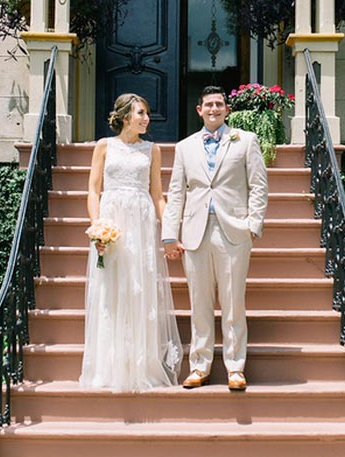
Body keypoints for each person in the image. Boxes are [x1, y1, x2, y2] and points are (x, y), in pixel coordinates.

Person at [163, 85, 268, 391]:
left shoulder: (246, 141)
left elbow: (258, 185)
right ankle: (199, 366)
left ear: (227, 109)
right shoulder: (184, 147)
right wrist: (170, 234)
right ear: (199, 110)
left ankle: (235, 367)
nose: (214, 109)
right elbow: (175, 192)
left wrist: (253, 224)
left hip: (234, 230)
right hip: (195, 232)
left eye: (219, 104)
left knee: (234, 301)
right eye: (208, 104)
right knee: (200, 303)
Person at [79, 93, 182, 391]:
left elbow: (157, 195)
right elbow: (92, 190)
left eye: (147, 113)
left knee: (139, 288)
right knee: (112, 289)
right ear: (125, 117)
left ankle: (140, 364)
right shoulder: (103, 146)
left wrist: (169, 232)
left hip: (140, 221)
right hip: (111, 220)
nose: (146, 118)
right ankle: (109, 366)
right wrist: (97, 227)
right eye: (141, 113)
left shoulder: (153, 150)